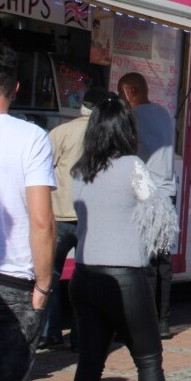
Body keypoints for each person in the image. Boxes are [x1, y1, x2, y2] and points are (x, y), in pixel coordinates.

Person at [69, 93, 178, 381]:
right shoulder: (132, 166)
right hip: (125, 277)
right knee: (148, 360)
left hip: (84, 274)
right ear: (125, 130)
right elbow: (160, 214)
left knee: (89, 362)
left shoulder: (79, 171)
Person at [0, 43, 56, 381]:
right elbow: (41, 221)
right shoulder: (31, 138)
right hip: (12, 283)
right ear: (16, 88)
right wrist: (43, 284)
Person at [40, 86, 111, 350]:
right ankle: (81, 337)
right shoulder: (105, 136)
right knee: (86, 278)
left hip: (59, 214)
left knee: (51, 274)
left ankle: (50, 331)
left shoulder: (61, 133)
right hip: (90, 219)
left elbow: (43, 171)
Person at [117, 72, 176, 339]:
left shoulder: (132, 118)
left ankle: (148, 320)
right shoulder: (164, 114)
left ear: (130, 91)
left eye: (122, 95)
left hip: (146, 194)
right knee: (164, 261)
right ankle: (163, 321)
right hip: (168, 193)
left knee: (147, 262)